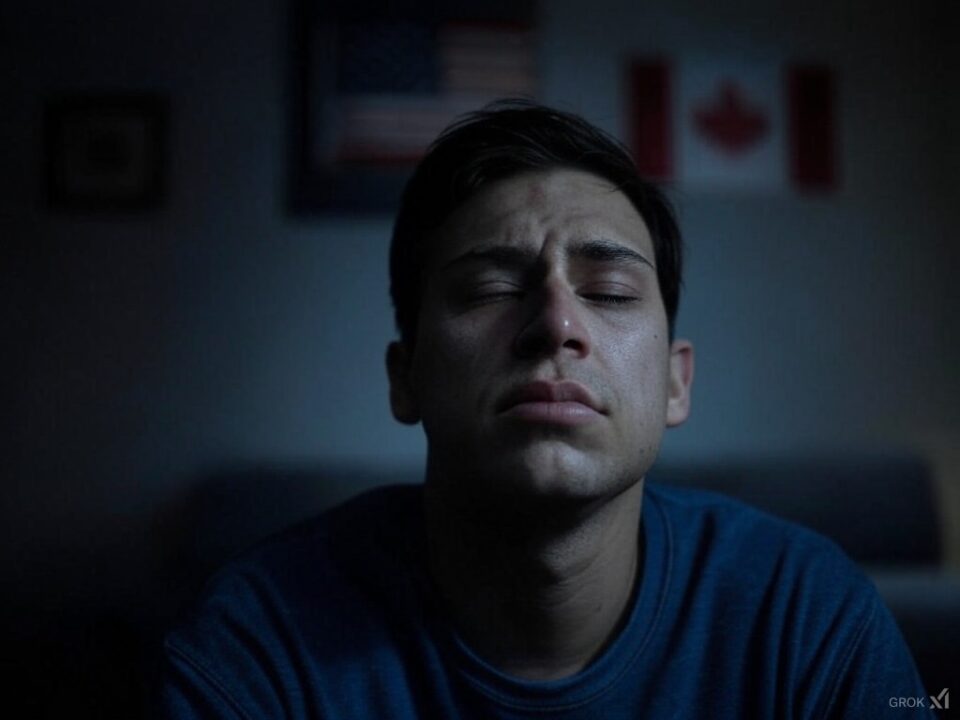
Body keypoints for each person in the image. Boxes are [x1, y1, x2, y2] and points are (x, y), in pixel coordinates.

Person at [159, 101, 931, 718]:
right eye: (491, 288)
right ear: (405, 378)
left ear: (675, 382)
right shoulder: (255, 649)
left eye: (610, 292)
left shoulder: (809, 619)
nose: (557, 323)